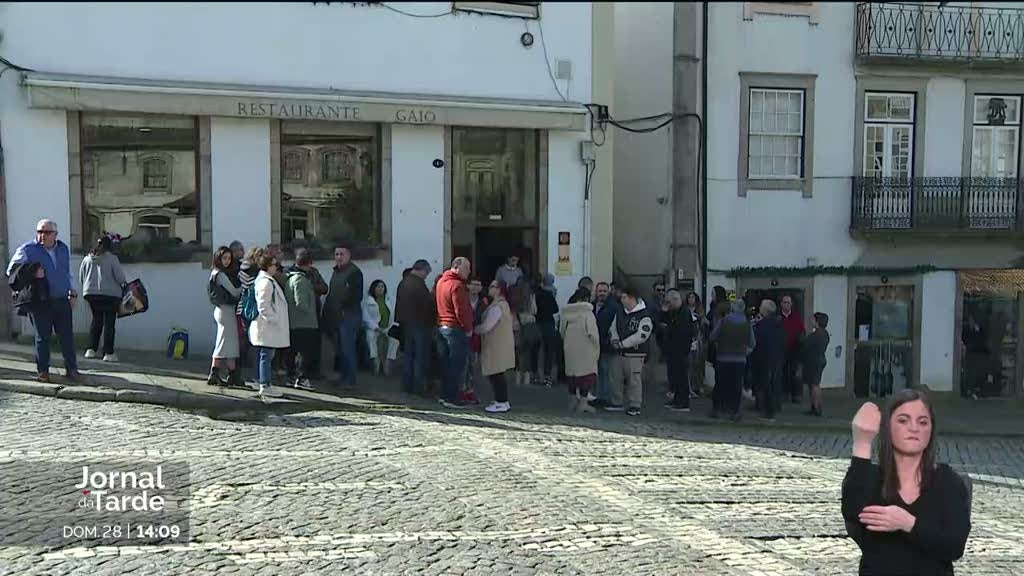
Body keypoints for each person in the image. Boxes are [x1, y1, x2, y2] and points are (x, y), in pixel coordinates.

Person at [842, 392, 971, 575]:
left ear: (931, 430)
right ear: (887, 428)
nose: (914, 428)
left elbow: (954, 546)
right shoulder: (870, 477)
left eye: (923, 422)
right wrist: (862, 443)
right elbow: (853, 513)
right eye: (903, 420)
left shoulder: (947, 482)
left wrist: (908, 523)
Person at [6, 219, 82, 383]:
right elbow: (11, 272)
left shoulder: (63, 249)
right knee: (43, 337)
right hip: (40, 300)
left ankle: (72, 370)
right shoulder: (28, 249)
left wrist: (73, 293)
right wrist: (32, 273)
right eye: (40, 232)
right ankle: (43, 372)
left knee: (67, 337)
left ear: (55, 234)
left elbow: (67, 273)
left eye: (47, 232)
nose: (42, 236)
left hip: (62, 298)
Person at [606, 286, 654, 416]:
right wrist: (615, 340)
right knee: (615, 377)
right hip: (618, 352)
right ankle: (617, 401)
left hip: (636, 354)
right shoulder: (620, 311)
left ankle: (635, 404)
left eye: (624, 297)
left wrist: (623, 344)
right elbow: (613, 327)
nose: (621, 299)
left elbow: (642, 335)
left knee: (634, 380)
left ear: (632, 297)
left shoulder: (645, 314)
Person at [248, 253, 289, 398]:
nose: (276, 267)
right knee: (266, 354)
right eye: (273, 264)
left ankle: (262, 381)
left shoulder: (264, 280)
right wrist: (275, 319)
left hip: (265, 325)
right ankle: (265, 384)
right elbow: (263, 306)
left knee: (263, 354)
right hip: (267, 325)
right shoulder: (265, 282)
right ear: (267, 266)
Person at [79, 235, 126, 362]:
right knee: (109, 323)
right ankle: (108, 353)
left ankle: (91, 349)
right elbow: (120, 278)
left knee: (96, 320)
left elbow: (81, 276)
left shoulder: (87, 259)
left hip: (91, 294)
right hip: (110, 295)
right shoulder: (112, 259)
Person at [435, 257, 474, 408]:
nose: (469, 271)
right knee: (456, 366)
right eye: (466, 268)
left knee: (446, 365)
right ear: (456, 267)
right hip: (455, 329)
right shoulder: (457, 285)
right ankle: (452, 398)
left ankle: (444, 396)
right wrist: (468, 328)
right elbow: (461, 311)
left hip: (442, 327)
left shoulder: (441, 282)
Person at [323, 246, 363, 388]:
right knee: (340, 348)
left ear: (349, 255)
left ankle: (350, 380)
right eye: (336, 254)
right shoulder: (336, 271)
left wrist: (342, 309)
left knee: (348, 349)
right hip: (336, 316)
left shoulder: (354, 273)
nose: (339, 257)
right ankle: (342, 376)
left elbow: (355, 296)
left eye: (342, 254)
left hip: (349, 316)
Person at [710, 299, 755, 422]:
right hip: (739, 360)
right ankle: (734, 411)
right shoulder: (747, 323)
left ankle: (717, 409)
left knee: (720, 384)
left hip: (723, 358)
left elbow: (713, 336)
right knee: (736, 386)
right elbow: (752, 343)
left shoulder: (723, 321)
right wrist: (745, 353)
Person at [395, 259, 435, 396]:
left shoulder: (404, 282)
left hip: (406, 323)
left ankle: (407, 386)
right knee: (420, 357)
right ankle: (418, 387)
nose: (426, 276)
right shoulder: (418, 284)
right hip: (419, 323)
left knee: (408, 356)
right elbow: (428, 304)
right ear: (422, 270)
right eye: (426, 273)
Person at [475, 279, 516, 413]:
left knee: (496, 374)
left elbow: (488, 326)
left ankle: (501, 401)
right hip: (498, 343)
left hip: (496, 344)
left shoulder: (498, 306)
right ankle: (500, 400)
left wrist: (475, 329)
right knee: (496, 373)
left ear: (499, 289)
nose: (490, 288)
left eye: (493, 286)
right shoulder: (500, 304)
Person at [208, 246, 243, 387]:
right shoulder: (220, 274)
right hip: (225, 310)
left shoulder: (216, 273)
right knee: (223, 343)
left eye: (229, 258)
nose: (227, 261)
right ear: (218, 258)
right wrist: (245, 285)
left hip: (224, 309)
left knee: (229, 343)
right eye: (224, 258)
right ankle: (215, 373)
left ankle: (232, 374)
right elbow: (234, 292)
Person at [284, 248, 319, 390]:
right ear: (309, 263)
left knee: (293, 352)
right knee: (304, 353)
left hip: (294, 322)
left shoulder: (291, 277)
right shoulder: (300, 280)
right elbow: (301, 303)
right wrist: (312, 310)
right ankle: (301, 378)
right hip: (304, 323)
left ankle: (292, 377)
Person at [560, 288, 599, 414]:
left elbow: (561, 331)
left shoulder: (566, 313)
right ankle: (583, 403)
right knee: (586, 376)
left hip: (570, 347)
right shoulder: (587, 314)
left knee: (572, 375)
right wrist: (596, 348)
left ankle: (572, 401)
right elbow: (593, 334)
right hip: (586, 349)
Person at [662, 289, 698, 412]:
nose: (667, 304)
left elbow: (683, 333)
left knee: (681, 376)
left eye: (668, 302)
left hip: (680, 350)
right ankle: (677, 399)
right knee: (675, 377)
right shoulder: (675, 312)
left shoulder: (684, 314)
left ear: (676, 300)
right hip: (673, 350)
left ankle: (683, 402)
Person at [751, 299, 786, 422]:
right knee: (774, 383)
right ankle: (774, 407)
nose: (759, 308)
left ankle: (768, 411)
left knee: (766, 384)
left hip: (765, 358)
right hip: (776, 357)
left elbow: (758, 342)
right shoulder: (778, 322)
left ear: (765, 309)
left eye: (761, 306)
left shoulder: (763, 324)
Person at [589, 282, 620, 409]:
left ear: (609, 292)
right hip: (593, 345)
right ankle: (597, 397)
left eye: (604, 291)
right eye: (600, 291)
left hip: (606, 345)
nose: (601, 293)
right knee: (595, 372)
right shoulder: (591, 306)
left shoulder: (614, 307)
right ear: (596, 292)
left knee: (606, 372)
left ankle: (605, 398)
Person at [362, 279, 399, 377]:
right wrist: (376, 328)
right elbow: (366, 318)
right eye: (378, 286)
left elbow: (395, 316)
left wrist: (388, 328)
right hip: (375, 328)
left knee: (395, 339)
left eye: (382, 286)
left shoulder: (391, 300)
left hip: (388, 327)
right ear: (373, 289)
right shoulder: (368, 301)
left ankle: (388, 361)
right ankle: (376, 360)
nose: (380, 289)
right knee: (370, 337)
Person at [463, 277, 488, 404]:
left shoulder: (483, 302)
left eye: (478, 285)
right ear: (467, 286)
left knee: (473, 364)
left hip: (476, 337)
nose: (476, 287)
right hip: (462, 333)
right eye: (473, 284)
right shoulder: (462, 298)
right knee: (462, 363)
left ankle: (470, 389)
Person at [513, 277, 541, 387]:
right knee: (528, 353)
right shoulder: (530, 296)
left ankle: (518, 378)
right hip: (529, 325)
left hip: (518, 325)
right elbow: (534, 310)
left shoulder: (515, 297)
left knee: (519, 352)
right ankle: (527, 379)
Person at [802, 312, 831, 416]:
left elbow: (805, 345)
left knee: (814, 385)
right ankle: (815, 406)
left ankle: (816, 407)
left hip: (813, 361)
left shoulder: (815, 335)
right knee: (815, 384)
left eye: (813, 320)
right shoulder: (825, 334)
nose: (811, 321)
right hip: (820, 359)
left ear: (817, 321)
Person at [535, 273, 561, 387]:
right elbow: (555, 309)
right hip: (549, 323)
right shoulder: (550, 293)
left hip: (538, 323)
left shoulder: (536, 294)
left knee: (538, 350)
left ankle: (537, 375)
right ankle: (548, 376)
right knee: (549, 350)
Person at [781, 295, 806, 404]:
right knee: (782, 373)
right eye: (784, 302)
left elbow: (802, 332)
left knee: (795, 374)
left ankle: (796, 395)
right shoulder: (777, 318)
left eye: (788, 302)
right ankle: (784, 394)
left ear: (791, 304)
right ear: (781, 304)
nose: (786, 304)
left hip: (794, 351)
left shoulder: (797, 318)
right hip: (781, 351)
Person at [685, 291, 708, 399]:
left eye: (693, 297)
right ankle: (689, 386)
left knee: (698, 363)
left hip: (698, 339)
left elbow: (704, 324)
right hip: (689, 339)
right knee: (689, 364)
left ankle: (698, 385)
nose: (691, 300)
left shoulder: (700, 311)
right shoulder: (685, 311)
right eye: (689, 298)